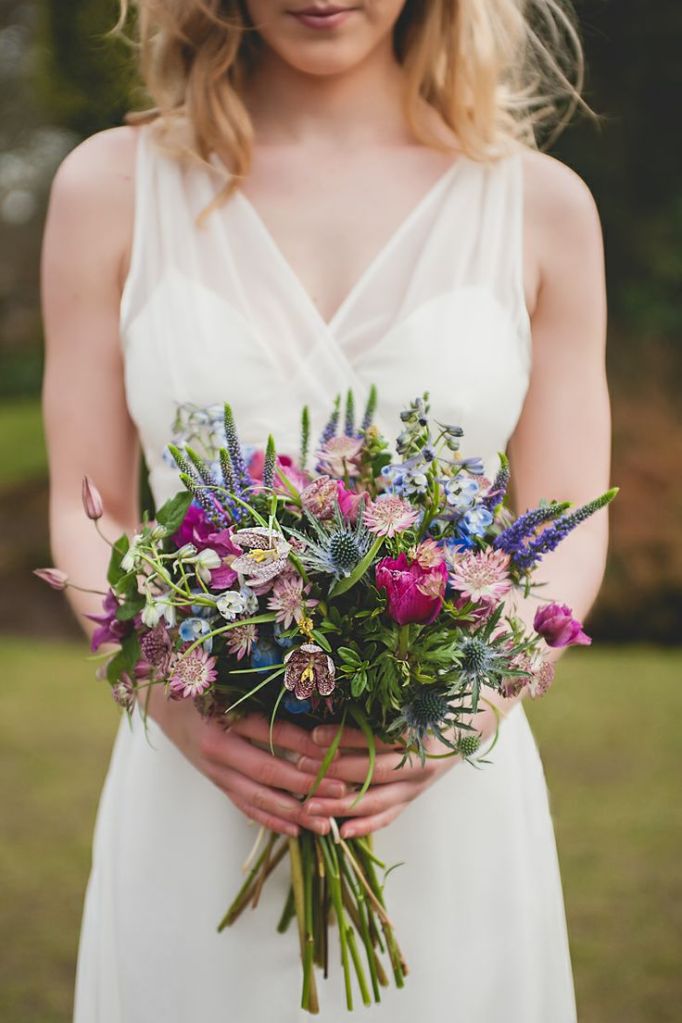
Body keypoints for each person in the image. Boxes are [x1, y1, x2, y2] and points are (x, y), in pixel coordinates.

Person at [40, 1, 611, 1020]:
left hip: (444, 791)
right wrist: (171, 701)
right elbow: (90, 505)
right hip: (201, 777)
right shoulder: (110, 188)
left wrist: (463, 710)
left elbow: (565, 526)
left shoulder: (540, 205)